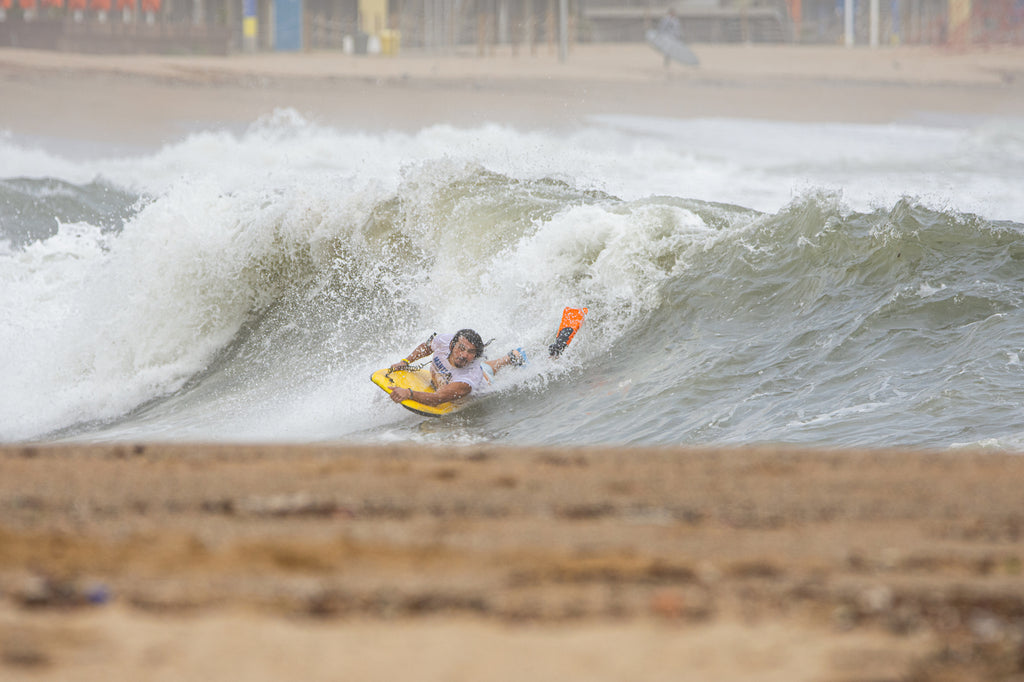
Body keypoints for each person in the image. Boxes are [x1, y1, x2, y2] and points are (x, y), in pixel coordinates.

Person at [388, 329, 525, 406]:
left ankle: (514, 357)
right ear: (452, 344)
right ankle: (510, 357)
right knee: (484, 368)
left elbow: (437, 398)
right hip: (478, 371)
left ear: (475, 355)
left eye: (471, 352)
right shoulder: (445, 340)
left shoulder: (467, 380)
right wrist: (406, 361)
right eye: (461, 348)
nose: (464, 355)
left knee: (484, 372)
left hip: (483, 386)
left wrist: (409, 393)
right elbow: (427, 346)